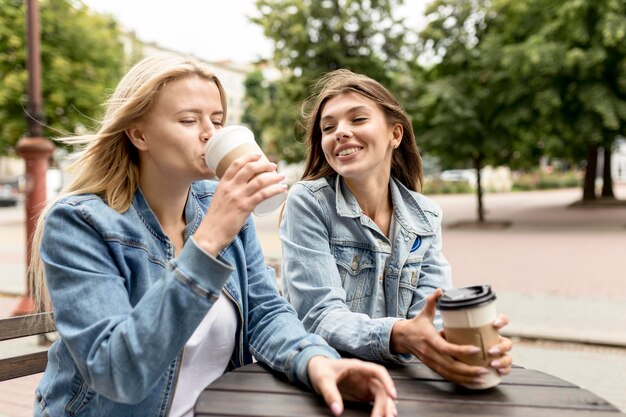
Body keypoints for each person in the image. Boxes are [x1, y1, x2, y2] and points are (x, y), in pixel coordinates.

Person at [28, 53, 398, 417]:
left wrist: (317, 362)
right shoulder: (80, 223)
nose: (210, 133)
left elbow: (265, 314)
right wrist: (209, 240)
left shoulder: (216, 205)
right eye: (189, 120)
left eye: (217, 120)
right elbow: (118, 374)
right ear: (139, 133)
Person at [279, 69, 513, 387]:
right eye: (328, 127)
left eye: (357, 119)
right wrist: (401, 335)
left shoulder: (425, 216)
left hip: (404, 387)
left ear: (395, 135)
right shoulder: (308, 202)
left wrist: (471, 344)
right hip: (329, 383)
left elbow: (432, 315)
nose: (340, 132)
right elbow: (318, 316)